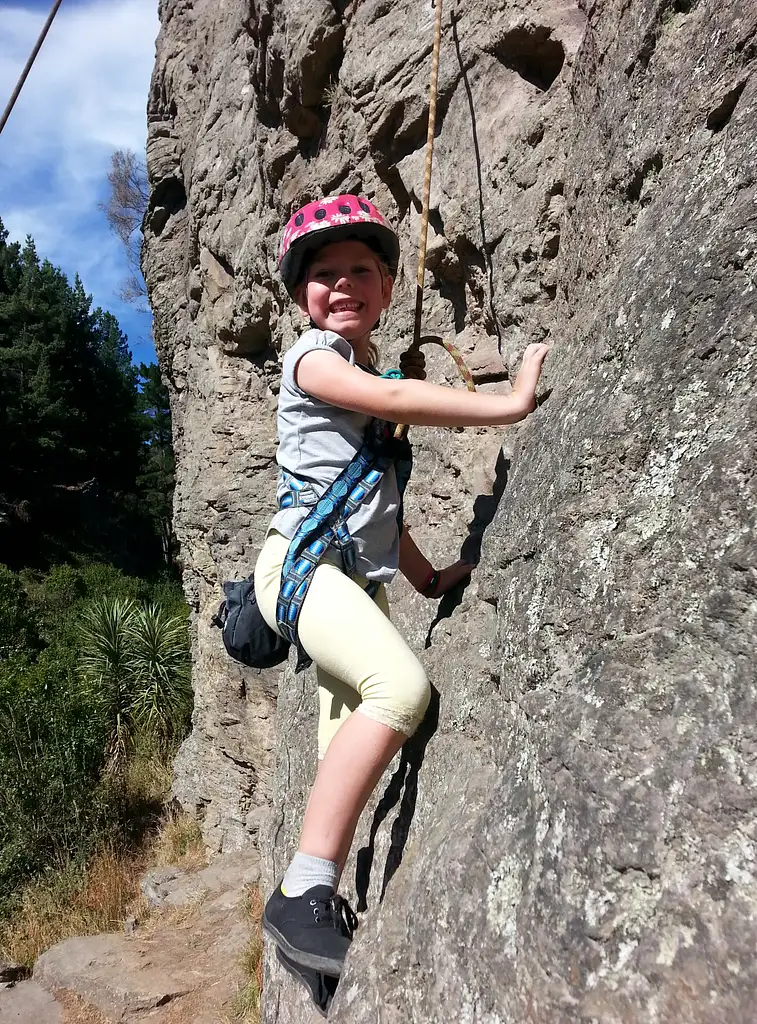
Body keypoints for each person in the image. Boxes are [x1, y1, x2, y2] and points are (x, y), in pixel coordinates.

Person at [255, 194, 549, 979]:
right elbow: (389, 399)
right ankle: (301, 895)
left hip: (351, 578)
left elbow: (374, 503)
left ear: (388, 289)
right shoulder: (312, 358)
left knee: (340, 749)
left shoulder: (360, 378)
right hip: (302, 566)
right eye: (324, 273)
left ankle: (312, 933)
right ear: (301, 295)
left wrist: (428, 577)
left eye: (363, 270)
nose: (344, 284)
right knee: (401, 690)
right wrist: (506, 405)